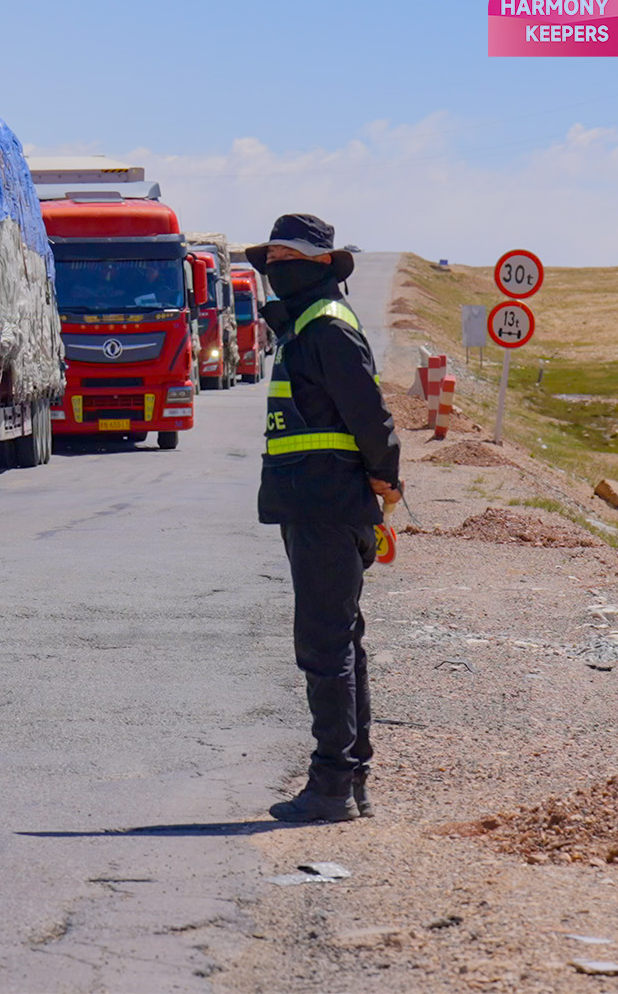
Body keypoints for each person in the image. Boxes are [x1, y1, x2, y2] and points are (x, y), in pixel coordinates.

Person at [247, 214, 401, 823]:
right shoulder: (305, 325)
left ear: (318, 264)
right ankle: (348, 779)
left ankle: (332, 784)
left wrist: (387, 474)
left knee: (325, 644)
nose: (274, 267)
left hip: (327, 505)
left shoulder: (325, 326)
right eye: (272, 257)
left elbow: (369, 410)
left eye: (287, 257)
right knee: (340, 640)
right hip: (315, 502)